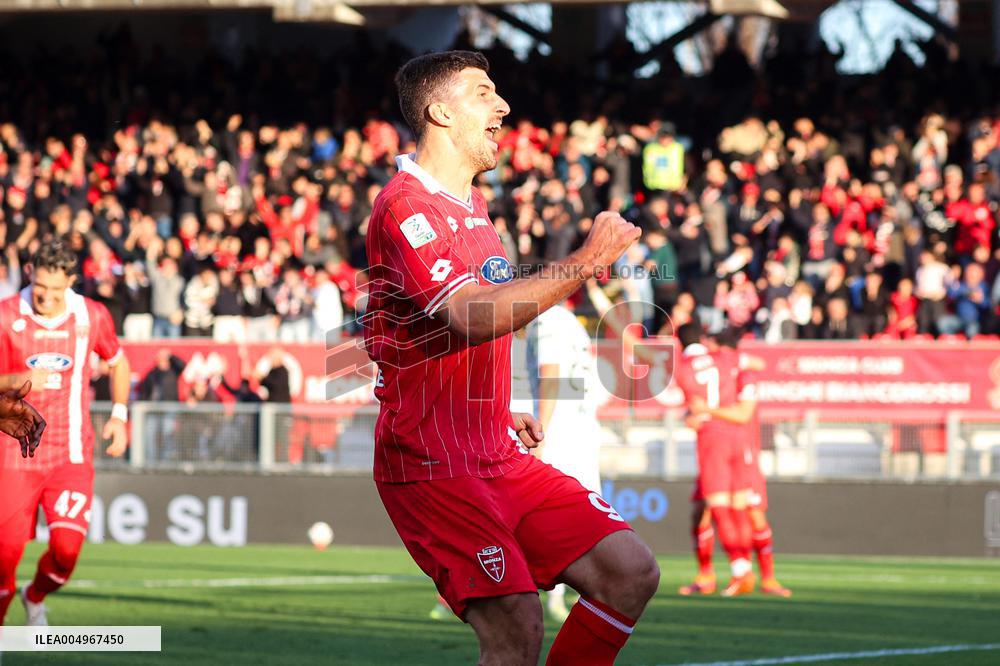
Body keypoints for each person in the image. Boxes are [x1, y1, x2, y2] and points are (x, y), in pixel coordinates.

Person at [365, 51, 657, 666]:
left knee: (628, 572)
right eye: (483, 94)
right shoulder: (405, 206)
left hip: (494, 452)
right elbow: (469, 313)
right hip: (434, 463)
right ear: (440, 112)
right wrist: (586, 261)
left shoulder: (474, 207)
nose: (502, 108)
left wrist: (496, 412)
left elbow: (466, 333)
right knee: (517, 631)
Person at [0, 241, 131, 626]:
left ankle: (35, 595)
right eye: (40, 285)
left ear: (71, 282)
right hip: (12, 459)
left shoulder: (91, 316)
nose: (46, 296)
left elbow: (118, 363)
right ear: (29, 274)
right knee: (4, 558)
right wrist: (16, 380)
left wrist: (120, 416)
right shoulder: (6, 317)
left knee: (66, 552)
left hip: (70, 455)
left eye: (56, 290)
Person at [526, 300, 607, 622]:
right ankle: (592, 592)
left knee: (550, 514)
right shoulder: (573, 322)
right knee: (588, 513)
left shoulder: (547, 320)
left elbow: (551, 374)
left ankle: (555, 594)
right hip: (584, 424)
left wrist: (541, 432)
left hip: (562, 427)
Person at [673, 322, 755, 597]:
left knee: (719, 509)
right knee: (723, 509)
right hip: (736, 437)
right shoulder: (724, 358)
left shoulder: (683, 369)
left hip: (712, 438)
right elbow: (753, 362)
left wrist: (700, 413)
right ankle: (715, 574)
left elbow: (694, 410)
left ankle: (741, 570)